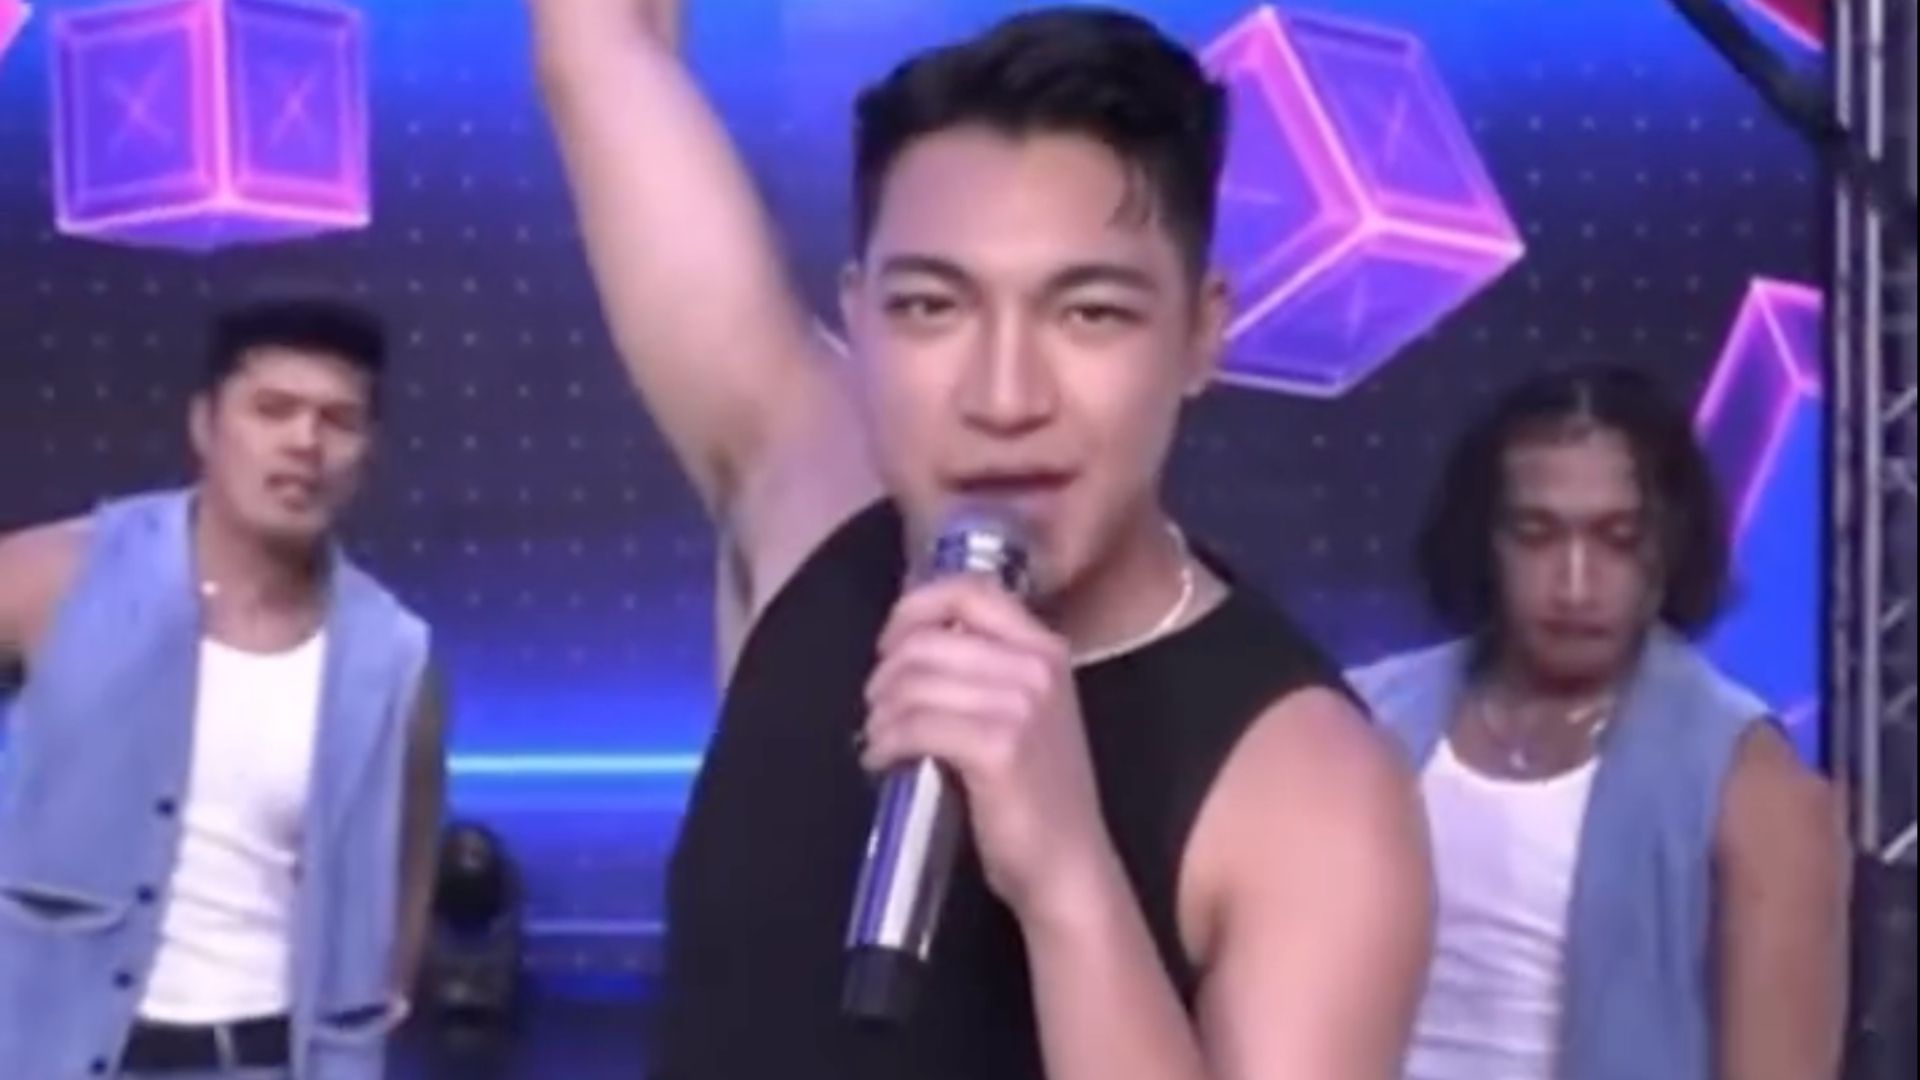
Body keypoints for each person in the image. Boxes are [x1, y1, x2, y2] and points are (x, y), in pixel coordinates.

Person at [531, 3, 1434, 1078]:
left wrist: (1068, 880)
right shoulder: (813, 507)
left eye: (1089, 314)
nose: (1005, 398)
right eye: (931, 307)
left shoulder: (1310, 791)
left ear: (1200, 332)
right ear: (860, 317)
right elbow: (601, 49)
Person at [1347, 366, 1849, 1080]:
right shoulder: (1362, 723)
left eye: (1617, 539)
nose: (1575, 585)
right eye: (1536, 536)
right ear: (1485, 540)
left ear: (1667, 547)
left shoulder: (1752, 784)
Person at [0, 297, 447, 1079]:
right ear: (206, 425)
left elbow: (401, 905)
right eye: (273, 410)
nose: (305, 442)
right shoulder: (55, 577)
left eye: (339, 420)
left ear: (368, 452)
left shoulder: (395, 662)